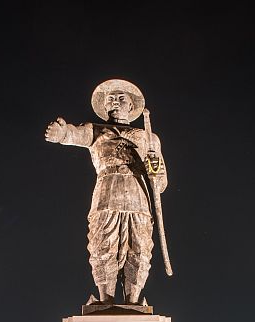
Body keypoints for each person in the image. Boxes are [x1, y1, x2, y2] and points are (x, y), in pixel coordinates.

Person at [45, 78, 168, 305]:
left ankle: (133, 299)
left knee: (139, 246)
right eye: (111, 98)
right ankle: (105, 298)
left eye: (121, 98)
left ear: (132, 106)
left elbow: (160, 183)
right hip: (106, 193)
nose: (115, 102)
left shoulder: (148, 138)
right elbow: (76, 134)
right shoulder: (97, 130)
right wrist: (62, 134)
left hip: (137, 196)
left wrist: (154, 167)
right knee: (103, 243)